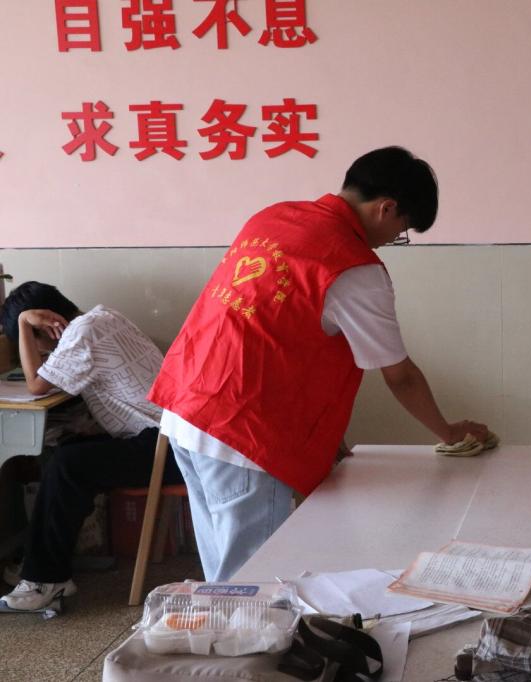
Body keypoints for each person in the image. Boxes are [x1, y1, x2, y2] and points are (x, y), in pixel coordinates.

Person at [149, 146, 489, 582]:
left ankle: (229, 622)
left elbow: (280, 335)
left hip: (187, 407)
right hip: (244, 430)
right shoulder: (353, 266)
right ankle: (245, 626)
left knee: (226, 572)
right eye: (401, 230)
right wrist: (449, 432)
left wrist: (326, 436)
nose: (392, 240)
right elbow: (400, 375)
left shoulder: (273, 218)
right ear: (386, 208)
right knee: (253, 582)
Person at [0, 282, 181, 611]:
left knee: (68, 464)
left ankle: (45, 579)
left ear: (47, 326)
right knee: (68, 452)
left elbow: (36, 384)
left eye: (33, 342)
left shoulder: (82, 333)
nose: (43, 354)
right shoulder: (103, 316)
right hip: (173, 438)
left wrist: (24, 322)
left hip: (169, 449)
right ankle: (49, 567)